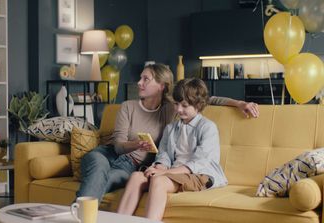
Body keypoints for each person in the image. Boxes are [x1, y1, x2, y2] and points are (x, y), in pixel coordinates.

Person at [75, 64, 258, 204]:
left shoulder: (172, 108)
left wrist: (240, 103)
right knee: (98, 166)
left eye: (146, 79)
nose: (139, 83)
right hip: (108, 154)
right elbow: (118, 145)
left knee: (104, 180)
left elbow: (204, 99)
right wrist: (137, 144)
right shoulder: (128, 107)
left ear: (161, 86)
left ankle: (78, 213)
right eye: (141, 78)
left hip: (129, 166)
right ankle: (80, 217)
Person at [116, 78, 227, 220]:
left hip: (199, 174)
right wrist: (159, 167)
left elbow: (198, 163)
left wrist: (165, 173)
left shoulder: (207, 127)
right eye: (176, 104)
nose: (179, 109)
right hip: (175, 172)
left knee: (158, 181)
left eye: (185, 105)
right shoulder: (171, 128)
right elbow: (164, 155)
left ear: (198, 105)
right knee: (137, 177)